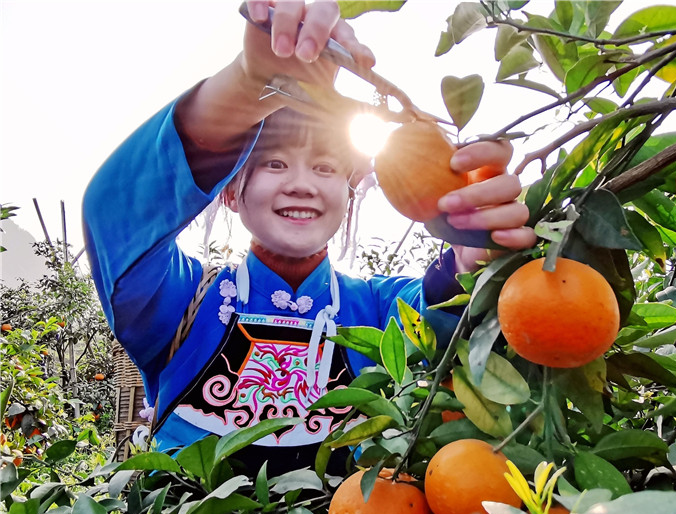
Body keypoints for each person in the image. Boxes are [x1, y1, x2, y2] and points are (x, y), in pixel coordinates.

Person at [83, 0, 535, 475]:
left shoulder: (380, 310)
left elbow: (451, 320)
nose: (302, 184)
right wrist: (246, 83)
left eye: (325, 167)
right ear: (233, 192)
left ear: (349, 193)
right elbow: (116, 214)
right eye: (275, 164)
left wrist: (473, 252)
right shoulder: (179, 303)